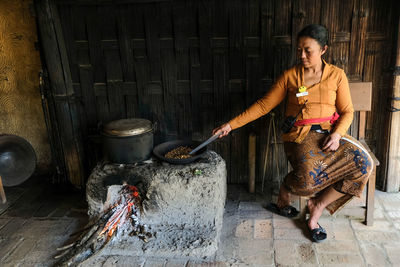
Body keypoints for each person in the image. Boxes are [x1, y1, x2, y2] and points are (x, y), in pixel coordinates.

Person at [212, 24, 373, 243]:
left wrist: (336, 135)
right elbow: (263, 106)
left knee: (364, 164)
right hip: (299, 137)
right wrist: (230, 125)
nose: (302, 55)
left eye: (309, 50)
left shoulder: (337, 75)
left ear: (324, 50)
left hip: (330, 136)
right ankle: (287, 186)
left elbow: (347, 112)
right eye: (299, 50)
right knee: (306, 181)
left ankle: (318, 207)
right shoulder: (290, 76)